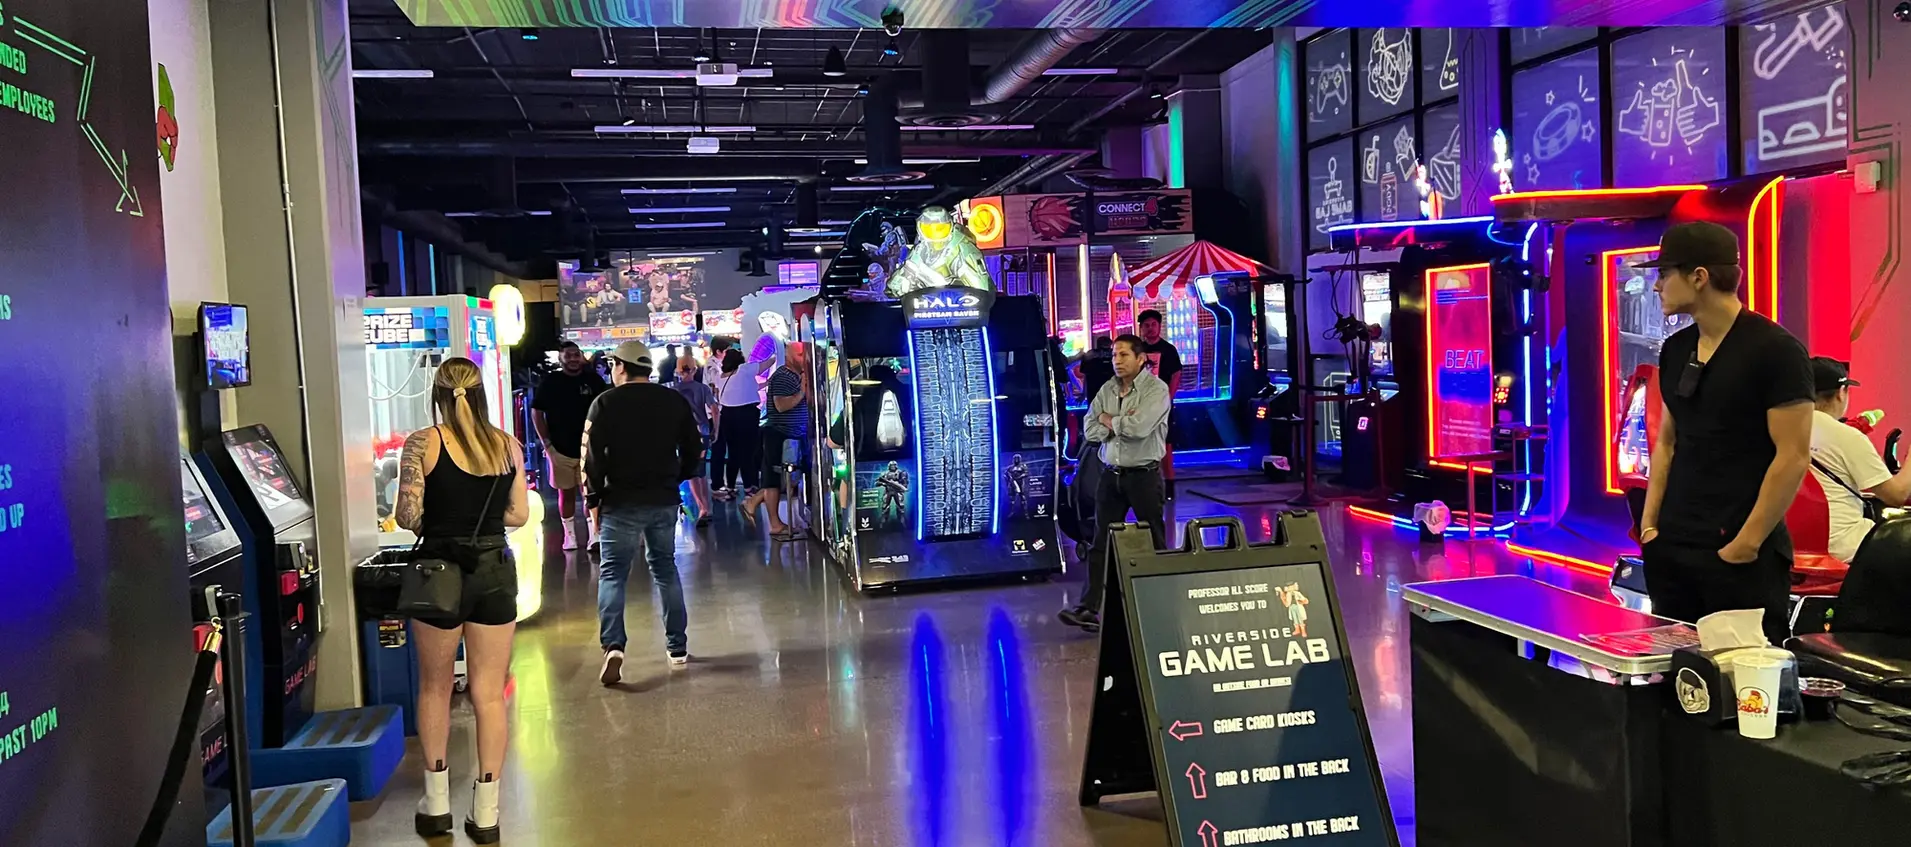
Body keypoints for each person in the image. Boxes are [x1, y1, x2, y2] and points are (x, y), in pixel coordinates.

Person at [1636, 222, 1814, 646]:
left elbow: (1792, 455)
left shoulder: (1776, 351)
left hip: (1736, 549)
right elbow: (1667, 441)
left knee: (1743, 672)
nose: (1657, 285)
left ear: (1699, 277)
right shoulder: (1676, 349)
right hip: (1673, 544)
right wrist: (1649, 526)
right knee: (1675, 669)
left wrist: (1747, 542)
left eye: (1664, 273)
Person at [393, 358, 530, 843]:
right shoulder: (507, 446)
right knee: (489, 694)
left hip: (439, 574)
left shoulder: (423, 443)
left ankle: (436, 805)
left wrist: (440, 511)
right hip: (494, 570)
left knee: (435, 688)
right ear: (480, 394)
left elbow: (406, 515)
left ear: (438, 394)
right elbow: (519, 514)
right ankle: (486, 813)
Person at [584, 340, 705, 684]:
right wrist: (675, 478)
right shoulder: (673, 400)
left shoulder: (604, 403)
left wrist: (593, 500)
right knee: (665, 569)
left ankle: (613, 646)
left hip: (619, 501)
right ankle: (677, 647)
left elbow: (591, 458)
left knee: (612, 574)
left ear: (621, 367)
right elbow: (695, 448)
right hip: (663, 499)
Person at [1061, 335, 1173, 632]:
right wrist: (1116, 422)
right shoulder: (1108, 388)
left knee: (1154, 538)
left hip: (1143, 476)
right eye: (1114, 355)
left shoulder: (1156, 390)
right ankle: (1088, 608)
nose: (1117, 361)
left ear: (1140, 359)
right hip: (1110, 474)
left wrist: (1108, 419)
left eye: (1124, 355)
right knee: (1100, 541)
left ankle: (1164, 604)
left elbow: (1139, 428)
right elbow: (1089, 429)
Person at [1806, 358, 1910, 563]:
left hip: (1795, 543)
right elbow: (1896, 495)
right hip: (1846, 544)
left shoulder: (1779, 429)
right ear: (1841, 392)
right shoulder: (1845, 436)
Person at [531, 342, 606, 551]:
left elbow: (605, 409)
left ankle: (594, 534)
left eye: (576, 355)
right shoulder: (551, 381)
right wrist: (547, 444)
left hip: (589, 448)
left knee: (590, 493)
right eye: (568, 355)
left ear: (581, 356)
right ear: (560, 358)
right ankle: (569, 536)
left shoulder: (594, 380)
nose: (573, 359)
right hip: (559, 449)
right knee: (566, 494)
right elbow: (536, 412)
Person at [742, 342, 810, 539]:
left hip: (792, 434)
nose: (804, 359)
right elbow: (780, 405)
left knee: (786, 478)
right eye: (800, 355)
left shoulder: (796, 376)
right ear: (789, 356)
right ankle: (774, 523)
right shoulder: (783, 376)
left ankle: (753, 503)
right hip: (780, 434)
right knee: (774, 479)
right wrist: (801, 393)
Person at [1136, 309, 1184, 497]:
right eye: (1146, 325)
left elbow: (1176, 375)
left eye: (1153, 325)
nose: (1150, 328)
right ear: (1141, 328)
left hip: (1162, 404)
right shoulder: (1137, 350)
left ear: (1159, 326)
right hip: (1140, 405)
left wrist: (1168, 398)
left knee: (1165, 444)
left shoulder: (1169, 350)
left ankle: (1169, 486)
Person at [710, 347, 764, 498]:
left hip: (727, 415)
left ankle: (731, 486)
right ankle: (749, 487)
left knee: (733, 452)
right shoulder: (744, 370)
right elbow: (767, 364)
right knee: (748, 451)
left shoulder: (721, 377)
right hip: (747, 414)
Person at [673, 356, 719, 527]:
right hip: (702, 431)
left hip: (684, 434)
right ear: (695, 369)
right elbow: (715, 410)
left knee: (691, 472)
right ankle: (706, 507)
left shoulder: (674, 391)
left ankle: (702, 507)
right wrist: (716, 430)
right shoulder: (702, 388)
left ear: (678, 371)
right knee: (701, 471)